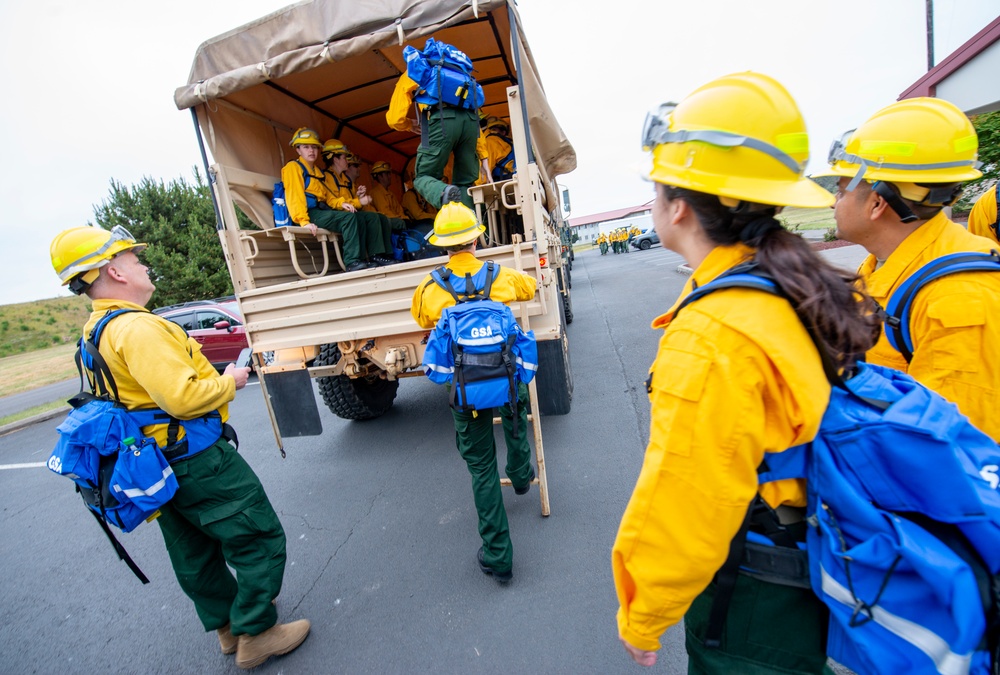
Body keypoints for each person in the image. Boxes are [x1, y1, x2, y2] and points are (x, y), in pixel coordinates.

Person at [612, 72, 880, 672]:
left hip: (758, 593)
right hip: (813, 559)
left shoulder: (712, 331)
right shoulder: (783, 281)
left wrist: (644, 613)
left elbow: (687, 498)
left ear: (678, 205)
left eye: (656, 187)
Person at [49, 225, 310, 670]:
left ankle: (228, 629)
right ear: (114, 270)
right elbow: (183, 397)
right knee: (256, 535)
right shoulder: (137, 328)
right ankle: (257, 632)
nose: (143, 264)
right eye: (134, 258)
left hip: (155, 464)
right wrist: (230, 381)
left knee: (194, 551)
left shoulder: (96, 330)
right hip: (197, 461)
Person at [826, 97, 1000, 441]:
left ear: (877, 202)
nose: (834, 201)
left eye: (842, 190)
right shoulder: (889, 261)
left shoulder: (960, 299)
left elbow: (951, 450)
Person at [410, 202, 537, 583]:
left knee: (481, 468)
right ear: (478, 239)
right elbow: (530, 288)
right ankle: (520, 472)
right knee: (518, 408)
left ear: (441, 247)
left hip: (466, 389)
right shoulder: (502, 276)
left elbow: (420, 317)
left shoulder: (430, 287)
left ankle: (498, 556)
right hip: (507, 379)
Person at [386, 39, 483, 210]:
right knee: (466, 182)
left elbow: (394, 119)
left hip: (443, 120)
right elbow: (477, 125)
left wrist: (408, 124)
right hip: (470, 122)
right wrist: (485, 156)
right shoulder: (460, 75)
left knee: (423, 176)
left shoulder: (417, 69)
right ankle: (472, 225)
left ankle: (445, 194)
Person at [280, 127, 375, 272]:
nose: (311, 151)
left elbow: (329, 196)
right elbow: (295, 196)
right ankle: (351, 262)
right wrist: (303, 221)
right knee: (348, 219)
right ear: (298, 150)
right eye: (306, 147)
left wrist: (342, 203)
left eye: (314, 147)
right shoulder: (293, 167)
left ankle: (361, 259)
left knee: (356, 217)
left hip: (321, 211)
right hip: (309, 214)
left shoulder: (317, 171)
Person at [319, 138, 398, 267]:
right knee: (364, 218)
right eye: (344, 158)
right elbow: (335, 201)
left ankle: (382, 255)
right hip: (336, 214)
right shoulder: (327, 177)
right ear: (335, 159)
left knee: (378, 217)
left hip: (346, 212)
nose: (347, 161)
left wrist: (357, 196)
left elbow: (348, 199)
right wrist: (359, 201)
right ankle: (364, 258)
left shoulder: (344, 178)